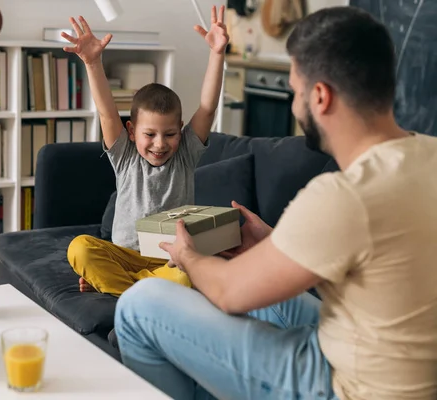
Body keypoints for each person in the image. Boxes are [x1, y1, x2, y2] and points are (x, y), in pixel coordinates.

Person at [114, 6, 437, 400]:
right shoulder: (428, 154)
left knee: (138, 305)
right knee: (269, 304)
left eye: (295, 90)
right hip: (399, 365)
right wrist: (270, 242)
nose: (293, 104)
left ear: (320, 97)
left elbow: (230, 292)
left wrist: (189, 255)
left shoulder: (343, 194)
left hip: (351, 387)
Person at [63, 7, 229, 296]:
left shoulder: (186, 154)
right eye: (149, 135)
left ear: (181, 129)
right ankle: (142, 290)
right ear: (131, 132)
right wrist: (92, 63)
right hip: (124, 256)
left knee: (186, 277)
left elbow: (207, 108)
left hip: (171, 261)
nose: (160, 144)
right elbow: (107, 114)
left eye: (170, 134)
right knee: (80, 249)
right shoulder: (126, 157)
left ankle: (124, 290)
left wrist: (217, 54)